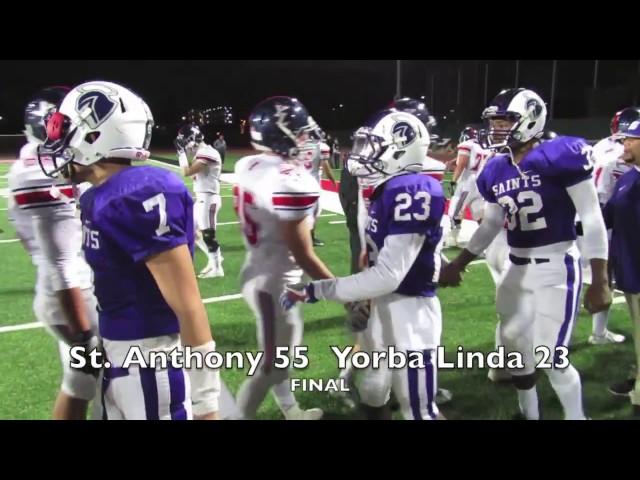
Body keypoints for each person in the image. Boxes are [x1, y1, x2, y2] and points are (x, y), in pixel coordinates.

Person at [38, 80, 222, 420]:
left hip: (151, 365)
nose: (55, 142)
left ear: (94, 136)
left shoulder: (140, 194)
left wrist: (207, 402)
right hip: (118, 360)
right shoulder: (97, 197)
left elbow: (189, 305)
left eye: (63, 130)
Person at [440, 88, 611, 420]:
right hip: (514, 269)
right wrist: (460, 262)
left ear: (531, 118)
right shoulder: (495, 169)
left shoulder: (560, 154)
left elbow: (591, 217)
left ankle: (577, 417)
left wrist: (599, 278)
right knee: (517, 352)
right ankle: (529, 415)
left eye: (507, 121)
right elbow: (490, 225)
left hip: (556, 266)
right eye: (495, 122)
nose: (498, 128)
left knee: (551, 357)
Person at [282, 109, 446, 420]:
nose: (363, 153)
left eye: (373, 145)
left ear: (400, 147)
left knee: (419, 410)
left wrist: (319, 289)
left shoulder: (410, 189)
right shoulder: (386, 191)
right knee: (373, 390)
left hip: (410, 311)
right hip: (383, 306)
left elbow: (389, 275)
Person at [233, 96, 364, 419]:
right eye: (300, 131)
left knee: (277, 354)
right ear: (282, 133)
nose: (306, 137)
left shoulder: (247, 164)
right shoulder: (291, 181)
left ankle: (291, 409)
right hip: (276, 281)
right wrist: (344, 294)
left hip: (261, 268)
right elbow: (303, 253)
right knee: (273, 365)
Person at [8, 86, 99, 420]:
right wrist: (84, 334)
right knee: (113, 378)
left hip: (64, 292)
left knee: (80, 385)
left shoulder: (35, 163)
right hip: (73, 297)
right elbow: (61, 263)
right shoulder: (39, 173)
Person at [603, 119, 640, 417]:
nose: (624, 144)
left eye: (631, 139)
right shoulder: (628, 177)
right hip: (629, 269)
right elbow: (607, 217)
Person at [175, 124, 224, 278]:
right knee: (190, 231)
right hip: (202, 198)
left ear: (192, 139)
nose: (185, 146)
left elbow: (186, 172)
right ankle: (214, 259)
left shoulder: (208, 152)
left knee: (208, 235)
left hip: (209, 198)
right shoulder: (201, 153)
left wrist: (181, 153)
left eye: (185, 142)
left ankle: (217, 269)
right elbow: (192, 175)